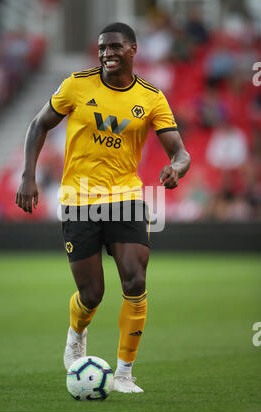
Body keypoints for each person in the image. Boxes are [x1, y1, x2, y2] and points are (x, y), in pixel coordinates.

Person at [16, 22, 190, 393]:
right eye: (102, 48)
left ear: (133, 49)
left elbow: (179, 149)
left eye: (114, 47)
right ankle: (77, 333)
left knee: (135, 278)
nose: (107, 53)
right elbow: (38, 124)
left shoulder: (152, 97)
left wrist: (177, 166)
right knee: (92, 293)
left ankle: (125, 373)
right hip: (79, 199)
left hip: (125, 197)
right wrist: (28, 176)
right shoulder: (77, 84)